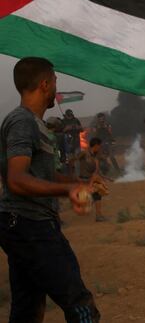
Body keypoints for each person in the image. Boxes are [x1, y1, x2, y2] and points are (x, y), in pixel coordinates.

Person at [0, 57, 102, 322]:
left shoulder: (38, 125)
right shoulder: (21, 121)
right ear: (45, 84)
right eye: (55, 81)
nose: (57, 88)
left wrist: (77, 184)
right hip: (28, 224)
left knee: (28, 310)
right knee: (80, 304)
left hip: (31, 224)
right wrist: (65, 192)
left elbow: (46, 174)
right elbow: (17, 178)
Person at [75, 138, 108, 222]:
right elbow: (74, 160)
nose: (100, 148)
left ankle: (98, 215)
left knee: (97, 195)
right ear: (96, 145)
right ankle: (97, 215)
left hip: (90, 179)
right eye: (99, 146)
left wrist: (104, 177)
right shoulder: (84, 153)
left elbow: (96, 171)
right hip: (84, 179)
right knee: (91, 197)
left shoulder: (95, 157)